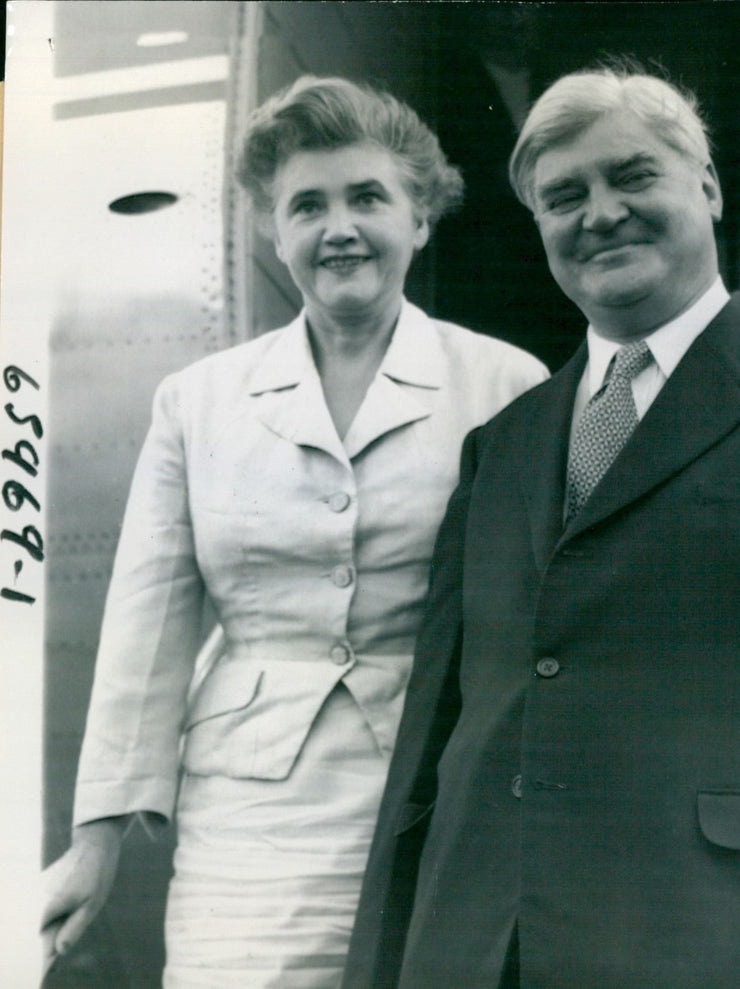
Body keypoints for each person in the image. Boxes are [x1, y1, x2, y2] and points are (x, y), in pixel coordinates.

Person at [40, 76, 548, 987]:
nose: (338, 227)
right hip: (245, 821)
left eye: (368, 197)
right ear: (275, 232)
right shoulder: (196, 402)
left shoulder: (508, 385)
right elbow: (147, 626)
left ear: (421, 217)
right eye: (306, 205)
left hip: (431, 796)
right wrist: (94, 844)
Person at [343, 64, 740, 989]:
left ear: (707, 186)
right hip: (479, 941)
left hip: (715, 935)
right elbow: (435, 736)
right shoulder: (501, 445)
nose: (600, 213)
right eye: (564, 196)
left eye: (633, 177)